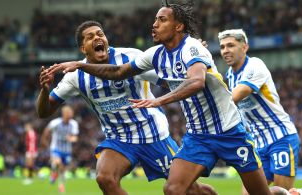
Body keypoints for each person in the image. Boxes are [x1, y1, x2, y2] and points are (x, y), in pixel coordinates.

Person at [47, 3, 302, 195]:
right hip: (198, 136)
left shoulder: (192, 48)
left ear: (177, 26)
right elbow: (118, 72)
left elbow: (197, 81)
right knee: (173, 189)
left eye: (161, 20)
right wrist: (80, 66)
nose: (154, 24)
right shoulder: (155, 54)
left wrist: (159, 101)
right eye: (154, 19)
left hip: (230, 131)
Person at [37, 20, 215, 195]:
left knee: (189, 190)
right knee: (105, 178)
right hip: (119, 140)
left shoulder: (131, 57)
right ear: (83, 48)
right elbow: (44, 112)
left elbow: (170, 83)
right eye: (90, 37)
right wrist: (45, 91)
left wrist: (191, 60)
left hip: (153, 134)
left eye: (100, 34)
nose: (97, 38)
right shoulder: (75, 77)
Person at [219, 28, 302, 193]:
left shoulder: (255, 65)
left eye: (230, 45)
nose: (225, 51)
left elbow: (237, 95)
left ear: (244, 47)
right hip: (259, 143)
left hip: (281, 137)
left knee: (281, 191)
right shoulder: (229, 74)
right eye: (222, 47)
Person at [41, 105, 79, 193]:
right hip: (56, 148)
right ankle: (55, 173)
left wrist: (71, 139)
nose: (71, 115)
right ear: (64, 114)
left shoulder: (73, 124)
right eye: (69, 113)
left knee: (63, 170)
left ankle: (60, 184)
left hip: (67, 150)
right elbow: (46, 131)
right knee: (58, 163)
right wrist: (44, 141)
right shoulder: (55, 123)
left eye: (71, 113)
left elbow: (75, 137)